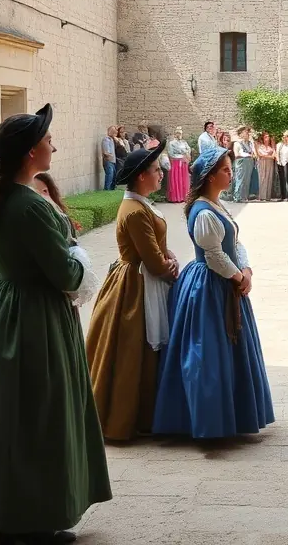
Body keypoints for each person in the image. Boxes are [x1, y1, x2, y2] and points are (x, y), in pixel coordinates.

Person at [0, 104, 111, 544]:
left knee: (1, 410)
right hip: (34, 316)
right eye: (48, 140)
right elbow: (66, 274)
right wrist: (79, 253)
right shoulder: (30, 205)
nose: (54, 145)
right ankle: (29, 520)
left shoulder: (6, 196)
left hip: (1, 305)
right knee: (37, 413)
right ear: (32, 152)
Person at [153, 147, 273, 438]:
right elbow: (214, 255)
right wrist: (236, 276)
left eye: (231, 169)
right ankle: (208, 421)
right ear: (208, 177)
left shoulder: (217, 206)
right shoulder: (203, 211)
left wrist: (245, 269)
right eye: (225, 170)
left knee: (227, 349)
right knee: (206, 352)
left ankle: (233, 414)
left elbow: (235, 242)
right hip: (209, 285)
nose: (231, 174)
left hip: (226, 280)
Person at [87, 142, 179, 442]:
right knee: (134, 351)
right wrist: (173, 268)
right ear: (141, 176)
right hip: (136, 286)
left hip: (138, 278)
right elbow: (153, 262)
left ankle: (144, 414)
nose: (161, 174)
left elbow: (157, 248)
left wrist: (170, 256)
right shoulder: (136, 211)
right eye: (156, 171)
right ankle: (130, 417)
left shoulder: (139, 204)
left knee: (137, 351)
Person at [167, 128, 191, 204]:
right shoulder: (171, 143)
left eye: (181, 133)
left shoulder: (184, 142)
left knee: (183, 180)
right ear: (175, 134)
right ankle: (176, 197)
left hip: (183, 162)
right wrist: (182, 153)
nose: (180, 135)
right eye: (178, 133)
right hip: (176, 163)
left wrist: (186, 153)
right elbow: (171, 153)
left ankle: (184, 196)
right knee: (176, 179)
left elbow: (188, 149)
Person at [232, 126, 256, 204]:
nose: (247, 133)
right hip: (241, 162)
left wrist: (252, 155)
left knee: (247, 179)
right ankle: (237, 197)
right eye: (246, 132)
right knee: (240, 179)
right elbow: (236, 154)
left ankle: (244, 196)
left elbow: (253, 153)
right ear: (241, 133)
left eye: (248, 132)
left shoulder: (250, 143)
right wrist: (247, 155)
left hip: (249, 162)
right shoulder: (237, 143)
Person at [255, 131, 276, 201]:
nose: (267, 138)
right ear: (263, 138)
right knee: (262, 178)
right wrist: (270, 156)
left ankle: (268, 196)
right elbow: (260, 154)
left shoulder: (271, 146)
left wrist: (273, 143)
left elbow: (274, 154)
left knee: (269, 177)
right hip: (262, 163)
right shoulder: (260, 146)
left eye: (268, 137)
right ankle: (262, 196)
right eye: (266, 137)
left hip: (270, 163)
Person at [100, 126, 117, 191]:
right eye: (113, 131)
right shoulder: (106, 139)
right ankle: (106, 189)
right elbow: (106, 152)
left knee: (113, 176)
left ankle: (112, 189)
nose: (115, 133)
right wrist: (109, 156)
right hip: (108, 161)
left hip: (113, 161)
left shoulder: (112, 139)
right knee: (110, 175)